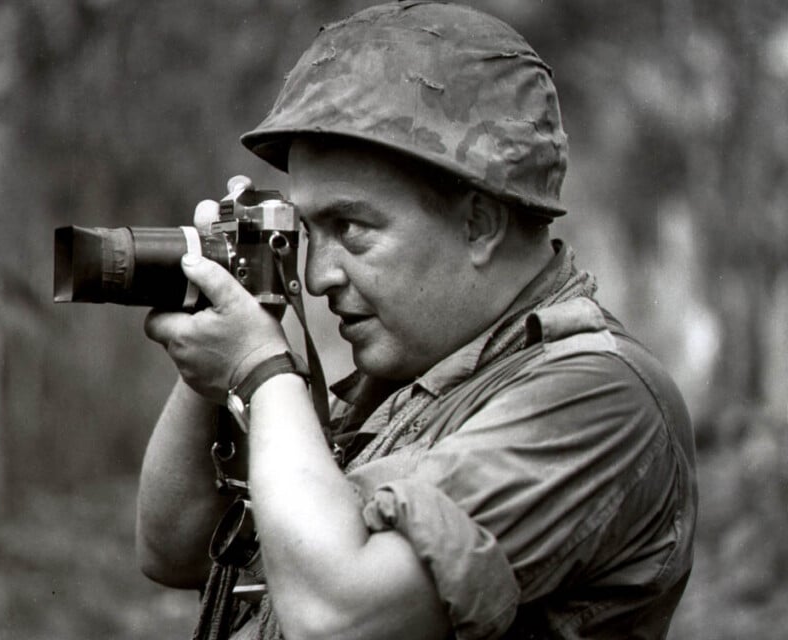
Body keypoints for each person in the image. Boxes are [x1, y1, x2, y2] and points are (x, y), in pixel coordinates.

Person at [137, 3, 697, 639]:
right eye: (308, 230)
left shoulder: (602, 400)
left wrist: (262, 371)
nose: (318, 275)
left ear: (479, 223)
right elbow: (173, 549)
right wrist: (221, 328)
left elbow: (337, 618)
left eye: (351, 227)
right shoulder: (417, 377)